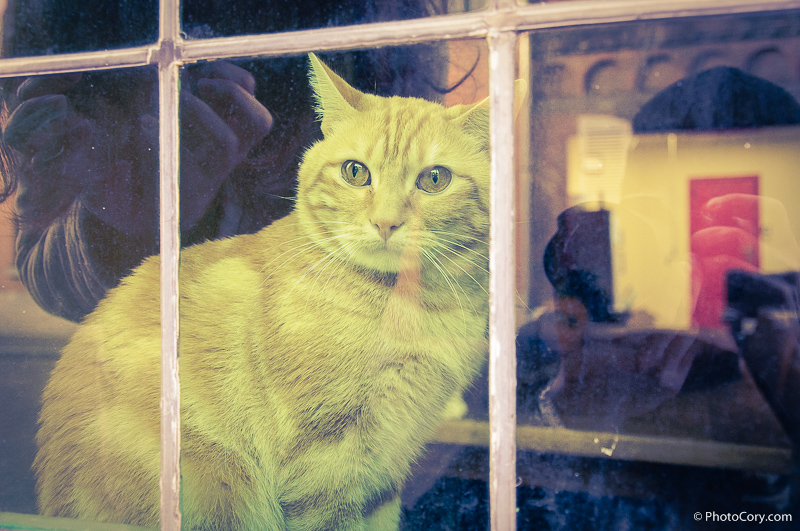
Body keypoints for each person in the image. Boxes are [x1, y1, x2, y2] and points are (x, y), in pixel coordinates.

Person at [0, 0, 456, 323]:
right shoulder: (65, 31)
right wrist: (130, 223)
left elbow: (395, 273)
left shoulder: (376, 39)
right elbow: (39, 256)